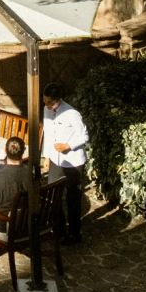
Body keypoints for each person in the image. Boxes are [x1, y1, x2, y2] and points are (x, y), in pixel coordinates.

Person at [41, 83, 89, 244]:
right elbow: (47, 134)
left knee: (72, 198)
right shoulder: (46, 110)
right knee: (53, 195)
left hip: (73, 162)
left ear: (58, 100)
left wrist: (68, 146)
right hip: (56, 159)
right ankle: (58, 229)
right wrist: (46, 157)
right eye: (45, 101)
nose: (47, 105)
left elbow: (84, 136)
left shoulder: (72, 114)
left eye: (50, 102)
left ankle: (75, 233)